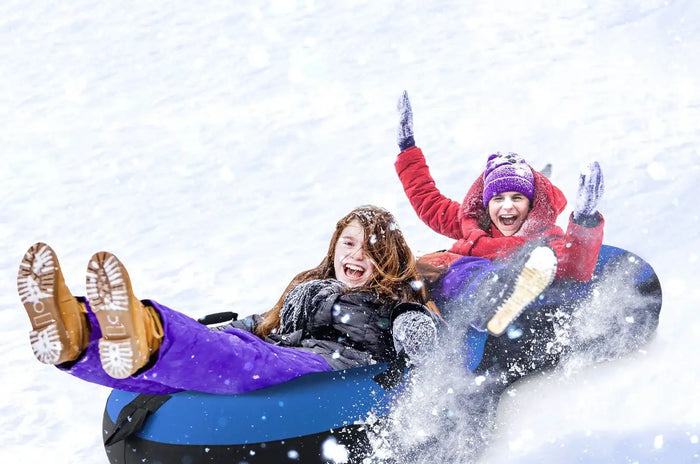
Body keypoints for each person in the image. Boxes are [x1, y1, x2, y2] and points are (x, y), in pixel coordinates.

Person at [17, 206, 453, 396]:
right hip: (280, 349)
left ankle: (148, 332)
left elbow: (417, 328)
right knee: (171, 376)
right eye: (349, 242)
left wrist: (415, 327)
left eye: (369, 250)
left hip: (326, 369)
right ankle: (74, 333)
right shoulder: (307, 287)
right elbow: (259, 323)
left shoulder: (389, 300)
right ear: (334, 245)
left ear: (387, 260)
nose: (355, 255)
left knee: (243, 361)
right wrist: (218, 332)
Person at [394, 91, 605, 284]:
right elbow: (427, 199)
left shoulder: (544, 239)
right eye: (498, 199)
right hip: (461, 295)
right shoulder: (473, 224)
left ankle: (502, 289)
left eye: (517, 198)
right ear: (487, 206)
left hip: (506, 296)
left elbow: (574, 265)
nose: (507, 207)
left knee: (518, 269)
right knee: (426, 265)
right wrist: (407, 149)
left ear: (531, 205)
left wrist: (585, 220)